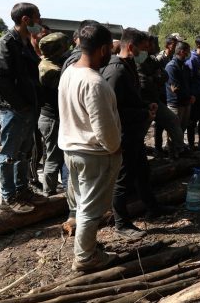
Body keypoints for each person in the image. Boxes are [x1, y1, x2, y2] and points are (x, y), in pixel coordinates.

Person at [58, 22, 122, 271]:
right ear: (104, 49)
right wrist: (115, 148)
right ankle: (85, 258)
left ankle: (88, 247)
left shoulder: (69, 73)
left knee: (82, 203)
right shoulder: (94, 82)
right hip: (93, 154)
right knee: (90, 209)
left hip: (72, 149)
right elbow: (104, 127)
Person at [0, 2, 47, 214]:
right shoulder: (5, 43)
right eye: (37, 17)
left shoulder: (24, 42)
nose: (39, 21)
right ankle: (8, 197)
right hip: (12, 108)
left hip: (27, 107)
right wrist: (19, 105)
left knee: (24, 152)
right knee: (9, 154)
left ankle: (23, 190)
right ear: (26, 19)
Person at [100, 28, 159, 238]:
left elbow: (131, 99)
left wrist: (146, 106)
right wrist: (143, 111)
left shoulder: (130, 65)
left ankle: (153, 207)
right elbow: (113, 109)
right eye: (143, 49)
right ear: (131, 47)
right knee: (122, 179)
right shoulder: (115, 71)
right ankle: (121, 223)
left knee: (143, 172)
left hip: (134, 132)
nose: (146, 53)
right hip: (123, 134)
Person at [37, 32, 71, 196]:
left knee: (54, 155)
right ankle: (48, 192)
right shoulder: (50, 70)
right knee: (53, 157)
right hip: (51, 119)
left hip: (51, 118)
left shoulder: (50, 64)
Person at [153, 34, 186, 158]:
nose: (176, 45)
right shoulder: (160, 58)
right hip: (162, 94)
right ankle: (158, 148)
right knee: (160, 123)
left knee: (170, 122)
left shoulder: (174, 58)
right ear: (168, 45)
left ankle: (169, 146)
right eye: (174, 43)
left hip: (169, 94)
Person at [166, 41, 195, 141]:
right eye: (188, 51)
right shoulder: (171, 67)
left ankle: (179, 148)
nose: (189, 53)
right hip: (176, 104)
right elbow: (175, 88)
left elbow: (189, 83)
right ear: (182, 52)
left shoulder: (185, 66)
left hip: (186, 102)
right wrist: (188, 97)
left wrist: (191, 95)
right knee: (174, 130)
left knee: (182, 129)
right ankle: (172, 152)